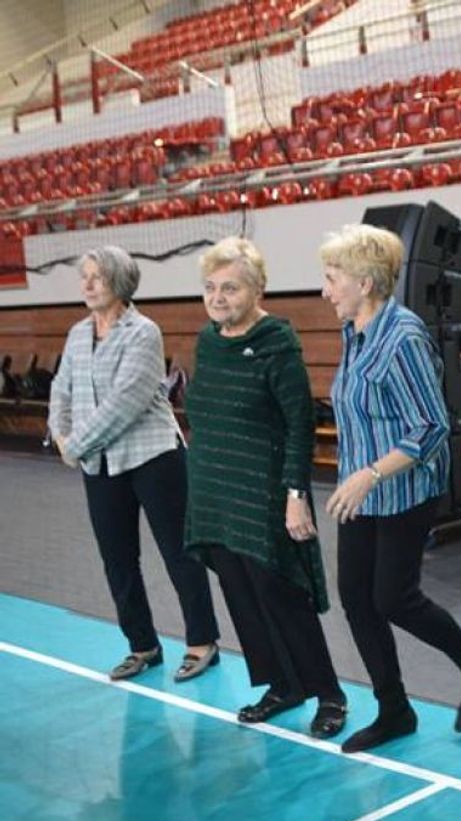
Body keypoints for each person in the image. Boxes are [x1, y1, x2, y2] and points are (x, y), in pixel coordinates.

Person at [319, 223, 461, 753]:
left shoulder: (403, 338)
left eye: (332, 278)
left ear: (364, 282)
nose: (325, 290)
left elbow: (430, 426)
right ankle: (394, 711)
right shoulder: (354, 330)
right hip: (362, 492)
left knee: (393, 598)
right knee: (356, 599)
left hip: (402, 490)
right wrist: (357, 477)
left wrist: (370, 474)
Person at [184, 237, 347, 739]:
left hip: (265, 493)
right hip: (214, 491)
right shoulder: (209, 341)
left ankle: (329, 694)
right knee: (241, 595)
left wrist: (296, 495)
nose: (218, 298)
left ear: (257, 290)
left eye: (230, 288)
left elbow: (300, 424)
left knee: (282, 594)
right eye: (211, 288)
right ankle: (282, 685)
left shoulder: (277, 343)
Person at [46, 245, 220, 681]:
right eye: (84, 276)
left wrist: (74, 445)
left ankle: (202, 642)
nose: (87, 285)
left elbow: (125, 403)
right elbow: (61, 389)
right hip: (99, 462)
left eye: (97, 277)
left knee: (179, 553)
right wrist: (60, 434)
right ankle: (143, 646)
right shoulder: (77, 334)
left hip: (153, 456)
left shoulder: (143, 332)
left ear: (120, 283)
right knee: (117, 559)